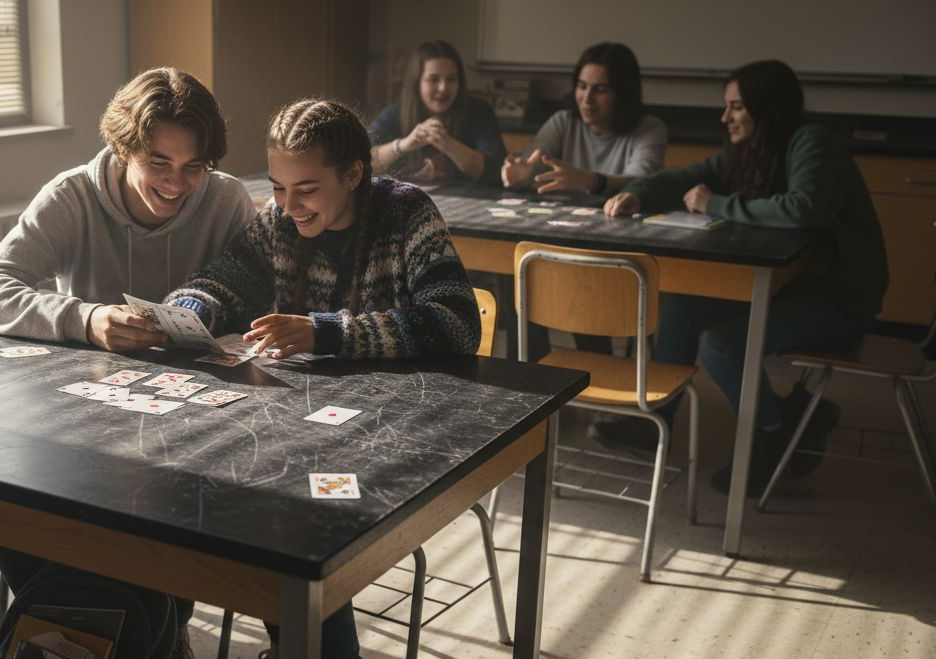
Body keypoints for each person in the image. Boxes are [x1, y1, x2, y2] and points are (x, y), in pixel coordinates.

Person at [165, 98, 480, 659]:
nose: (289, 204)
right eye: (278, 188)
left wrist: (327, 330)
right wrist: (188, 310)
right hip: (310, 420)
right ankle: (292, 656)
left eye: (306, 189)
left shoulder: (407, 213)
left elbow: (455, 321)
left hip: (406, 425)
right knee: (238, 485)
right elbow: (226, 276)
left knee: (289, 509)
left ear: (356, 174)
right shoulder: (276, 221)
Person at [0, 67, 256, 659]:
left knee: (186, 497)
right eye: (159, 162)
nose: (177, 184)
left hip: (199, 412)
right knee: (0, 496)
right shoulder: (72, 196)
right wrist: (86, 318)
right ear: (122, 149)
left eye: (194, 165)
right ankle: (84, 623)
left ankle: (156, 624)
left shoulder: (228, 200)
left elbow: (262, 294)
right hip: (87, 409)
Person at [594, 59, 888, 495]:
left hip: (839, 301)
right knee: (682, 310)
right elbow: (689, 177)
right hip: (792, 287)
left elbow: (802, 208)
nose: (724, 117)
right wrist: (639, 192)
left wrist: (714, 204)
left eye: (735, 107)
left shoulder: (812, 143)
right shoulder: (753, 148)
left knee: (724, 346)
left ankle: (771, 436)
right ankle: (657, 421)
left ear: (765, 109)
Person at [500, 41, 668, 359]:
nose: (586, 99)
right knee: (516, 272)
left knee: (584, 300)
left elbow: (646, 180)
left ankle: (596, 376)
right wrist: (518, 172)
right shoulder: (564, 121)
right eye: (581, 86)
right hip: (562, 246)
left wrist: (591, 181)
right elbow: (530, 160)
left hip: (618, 260)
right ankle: (528, 377)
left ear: (623, 93)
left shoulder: (649, 129)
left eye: (600, 90)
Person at [368, 40, 507, 186]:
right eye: (433, 79)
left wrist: (447, 144)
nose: (443, 88)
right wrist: (403, 145)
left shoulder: (479, 111)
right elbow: (360, 160)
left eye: (451, 79)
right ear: (417, 82)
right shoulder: (396, 113)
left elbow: (496, 170)